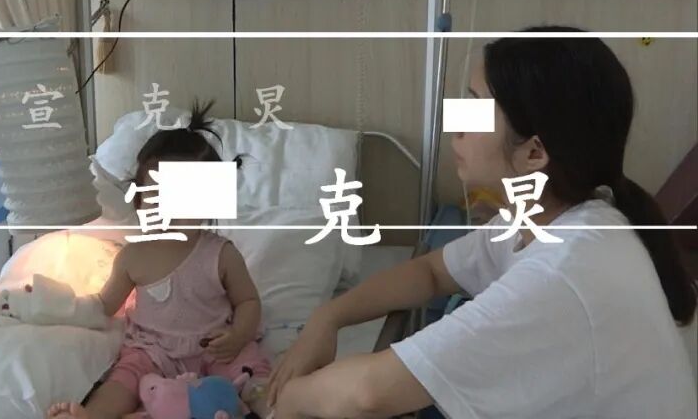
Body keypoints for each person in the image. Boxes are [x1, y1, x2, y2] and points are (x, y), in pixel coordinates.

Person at [268, 27, 698, 418]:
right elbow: (431, 272)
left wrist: (285, 400)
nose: (456, 125)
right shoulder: (555, 216)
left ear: (534, 153)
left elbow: (368, 393)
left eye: (477, 108)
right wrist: (328, 317)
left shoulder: (562, 272)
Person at [48, 101, 271, 419]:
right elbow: (103, 305)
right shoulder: (132, 258)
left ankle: (271, 406)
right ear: (139, 200)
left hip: (213, 346)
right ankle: (91, 414)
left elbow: (248, 301)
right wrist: (55, 307)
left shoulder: (221, 253)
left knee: (248, 366)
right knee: (125, 376)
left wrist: (237, 336)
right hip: (153, 352)